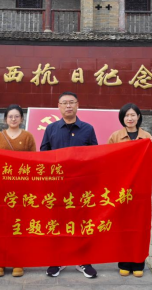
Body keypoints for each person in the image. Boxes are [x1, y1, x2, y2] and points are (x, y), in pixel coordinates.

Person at [40, 92, 98, 279]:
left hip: (81, 186)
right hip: (57, 186)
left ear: (77, 105)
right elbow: (43, 154)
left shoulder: (88, 129)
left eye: (71, 102)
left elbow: (95, 155)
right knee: (58, 223)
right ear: (58, 106)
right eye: (64, 103)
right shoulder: (51, 129)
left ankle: (83, 261)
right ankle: (57, 260)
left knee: (82, 223)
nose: (68, 106)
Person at [107, 103, 152, 278]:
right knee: (123, 225)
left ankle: (138, 262)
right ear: (122, 118)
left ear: (138, 117)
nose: (130, 118)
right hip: (121, 188)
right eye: (126, 115)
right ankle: (124, 262)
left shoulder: (146, 137)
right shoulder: (115, 136)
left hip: (140, 188)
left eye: (133, 115)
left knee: (139, 224)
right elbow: (107, 159)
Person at [0, 104, 36, 278]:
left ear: (22, 119)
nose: (14, 119)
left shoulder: (28, 136)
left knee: (18, 226)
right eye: (10, 116)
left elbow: (33, 161)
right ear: (5, 119)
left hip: (21, 189)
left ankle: (18, 261)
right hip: (1, 189)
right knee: (0, 225)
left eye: (17, 116)